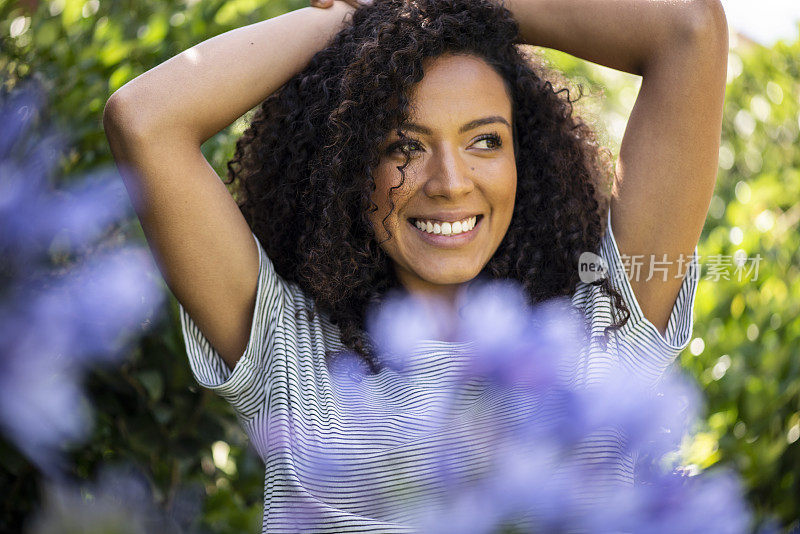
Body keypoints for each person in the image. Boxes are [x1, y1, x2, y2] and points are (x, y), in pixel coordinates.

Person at [102, 0, 728, 530]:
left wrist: (451, 3)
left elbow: (689, 28)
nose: (450, 183)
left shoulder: (606, 321)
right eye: (405, 146)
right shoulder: (291, 356)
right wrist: (354, 18)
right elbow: (144, 121)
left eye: (485, 140)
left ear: (524, 159)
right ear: (350, 169)